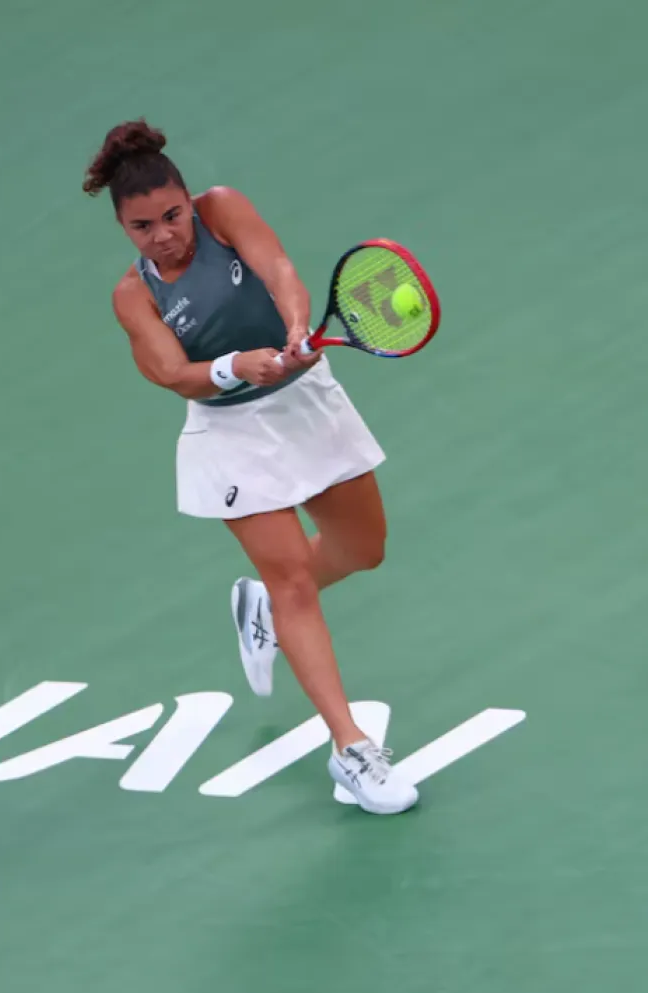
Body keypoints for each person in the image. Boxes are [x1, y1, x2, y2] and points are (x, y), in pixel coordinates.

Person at [83, 118, 418, 815]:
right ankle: (352, 750)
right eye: (144, 226)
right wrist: (238, 366)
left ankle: (259, 607)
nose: (165, 234)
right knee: (293, 576)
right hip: (230, 433)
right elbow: (176, 374)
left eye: (172, 215)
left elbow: (282, 271)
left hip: (306, 402)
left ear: (187, 201)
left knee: (365, 549)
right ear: (124, 229)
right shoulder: (132, 297)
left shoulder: (224, 210)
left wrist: (297, 326)